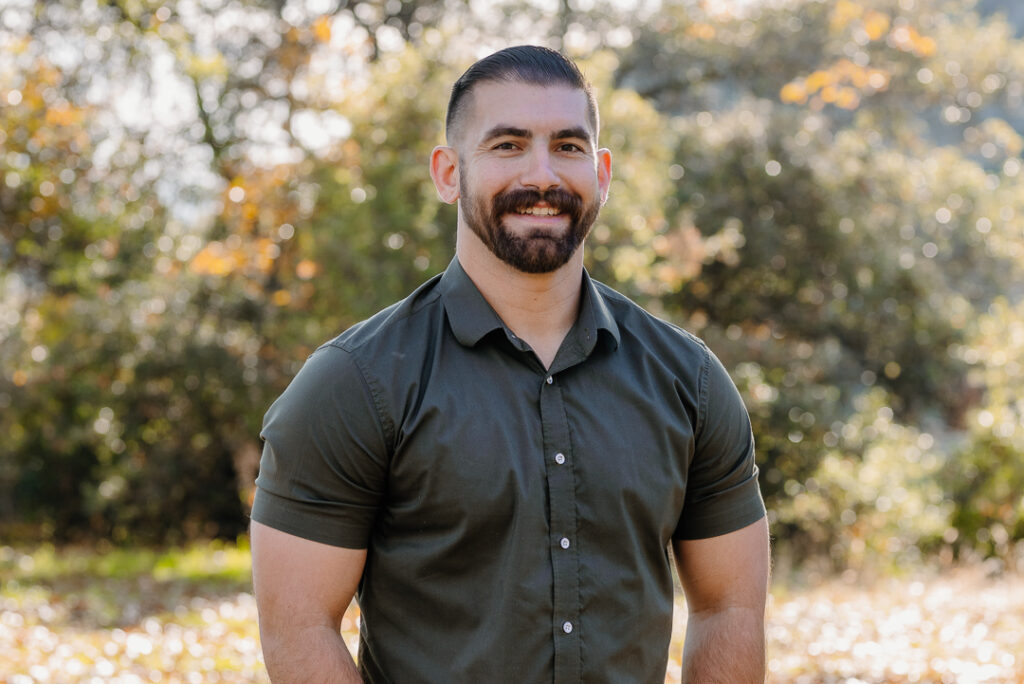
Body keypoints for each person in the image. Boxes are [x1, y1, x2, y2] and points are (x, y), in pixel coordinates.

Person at [249, 45, 769, 684]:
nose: (542, 175)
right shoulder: (354, 383)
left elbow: (730, 610)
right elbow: (298, 629)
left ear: (601, 173)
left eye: (569, 147)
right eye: (508, 146)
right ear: (448, 172)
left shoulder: (687, 378)